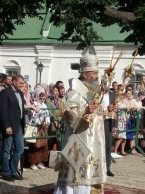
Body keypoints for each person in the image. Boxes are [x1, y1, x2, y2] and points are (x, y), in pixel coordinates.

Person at [54, 53, 106, 194]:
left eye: (97, 72)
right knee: (77, 179)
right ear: (85, 74)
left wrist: (105, 111)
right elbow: (68, 112)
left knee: (90, 176)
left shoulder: (92, 91)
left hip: (92, 141)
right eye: (94, 73)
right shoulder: (76, 91)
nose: (97, 76)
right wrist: (85, 111)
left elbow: (96, 113)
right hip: (80, 142)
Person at [0, 75, 26, 181]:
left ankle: (13, 170)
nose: (22, 85)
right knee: (7, 149)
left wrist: (23, 125)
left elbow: (21, 110)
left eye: (23, 83)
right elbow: (3, 110)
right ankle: (5, 171)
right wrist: (6, 126)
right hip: (9, 125)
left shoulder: (20, 93)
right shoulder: (5, 92)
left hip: (18, 125)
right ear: (14, 82)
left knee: (20, 148)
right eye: (20, 83)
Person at [28, 89, 50, 170]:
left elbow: (47, 115)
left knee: (43, 145)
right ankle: (33, 162)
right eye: (40, 98)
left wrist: (47, 123)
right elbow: (33, 116)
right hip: (36, 126)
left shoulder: (44, 105)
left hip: (43, 127)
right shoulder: (34, 104)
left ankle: (39, 162)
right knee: (35, 145)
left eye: (44, 99)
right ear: (37, 97)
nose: (42, 100)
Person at [103, 85, 117, 177]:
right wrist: (106, 109)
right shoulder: (97, 94)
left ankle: (107, 168)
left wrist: (115, 124)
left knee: (108, 145)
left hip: (109, 121)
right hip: (99, 121)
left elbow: (116, 109)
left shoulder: (112, 95)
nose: (106, 87)